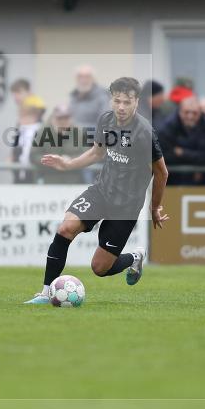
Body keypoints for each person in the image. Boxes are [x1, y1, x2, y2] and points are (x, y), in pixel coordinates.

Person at [24, 77, 169, 305]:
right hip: (101, 191)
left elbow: (162, 173)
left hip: (126, 206)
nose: (121, 107)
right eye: (117, 101)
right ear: (112, 100)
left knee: (100, 268)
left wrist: (155, 208)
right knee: (65, 228)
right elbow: (96, 153)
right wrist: (67, 164)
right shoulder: (106, 120)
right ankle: (45, 292)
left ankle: (134, 257)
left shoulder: (144, 133)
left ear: (136, 102)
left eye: (127, 102)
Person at [157, 96, 205, 186]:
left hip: (204, 182)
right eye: (186, 112)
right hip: (173, 181)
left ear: (200, 113)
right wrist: (198, 158)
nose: (190, 116)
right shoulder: (168, 127)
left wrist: (182, 153)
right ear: (180, 112)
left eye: (194, 113)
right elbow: (164, 155)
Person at [28, 104, 90, 184]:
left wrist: (69, 160)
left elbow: (86, 154)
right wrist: (51, 161)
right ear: (53, 118)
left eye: (66, 118)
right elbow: (33, 155)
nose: (63, 121)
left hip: (74, 179)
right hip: (49, 179)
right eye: (60, 118)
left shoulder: (79, 132)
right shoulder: (42, 132)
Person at [10, 94, 46, 184]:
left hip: (35, 174)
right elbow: (16, 149)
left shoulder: (41, 131)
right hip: (19, 174)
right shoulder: (20, 131)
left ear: (34, 117)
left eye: (24, 116)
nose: (20, 120)